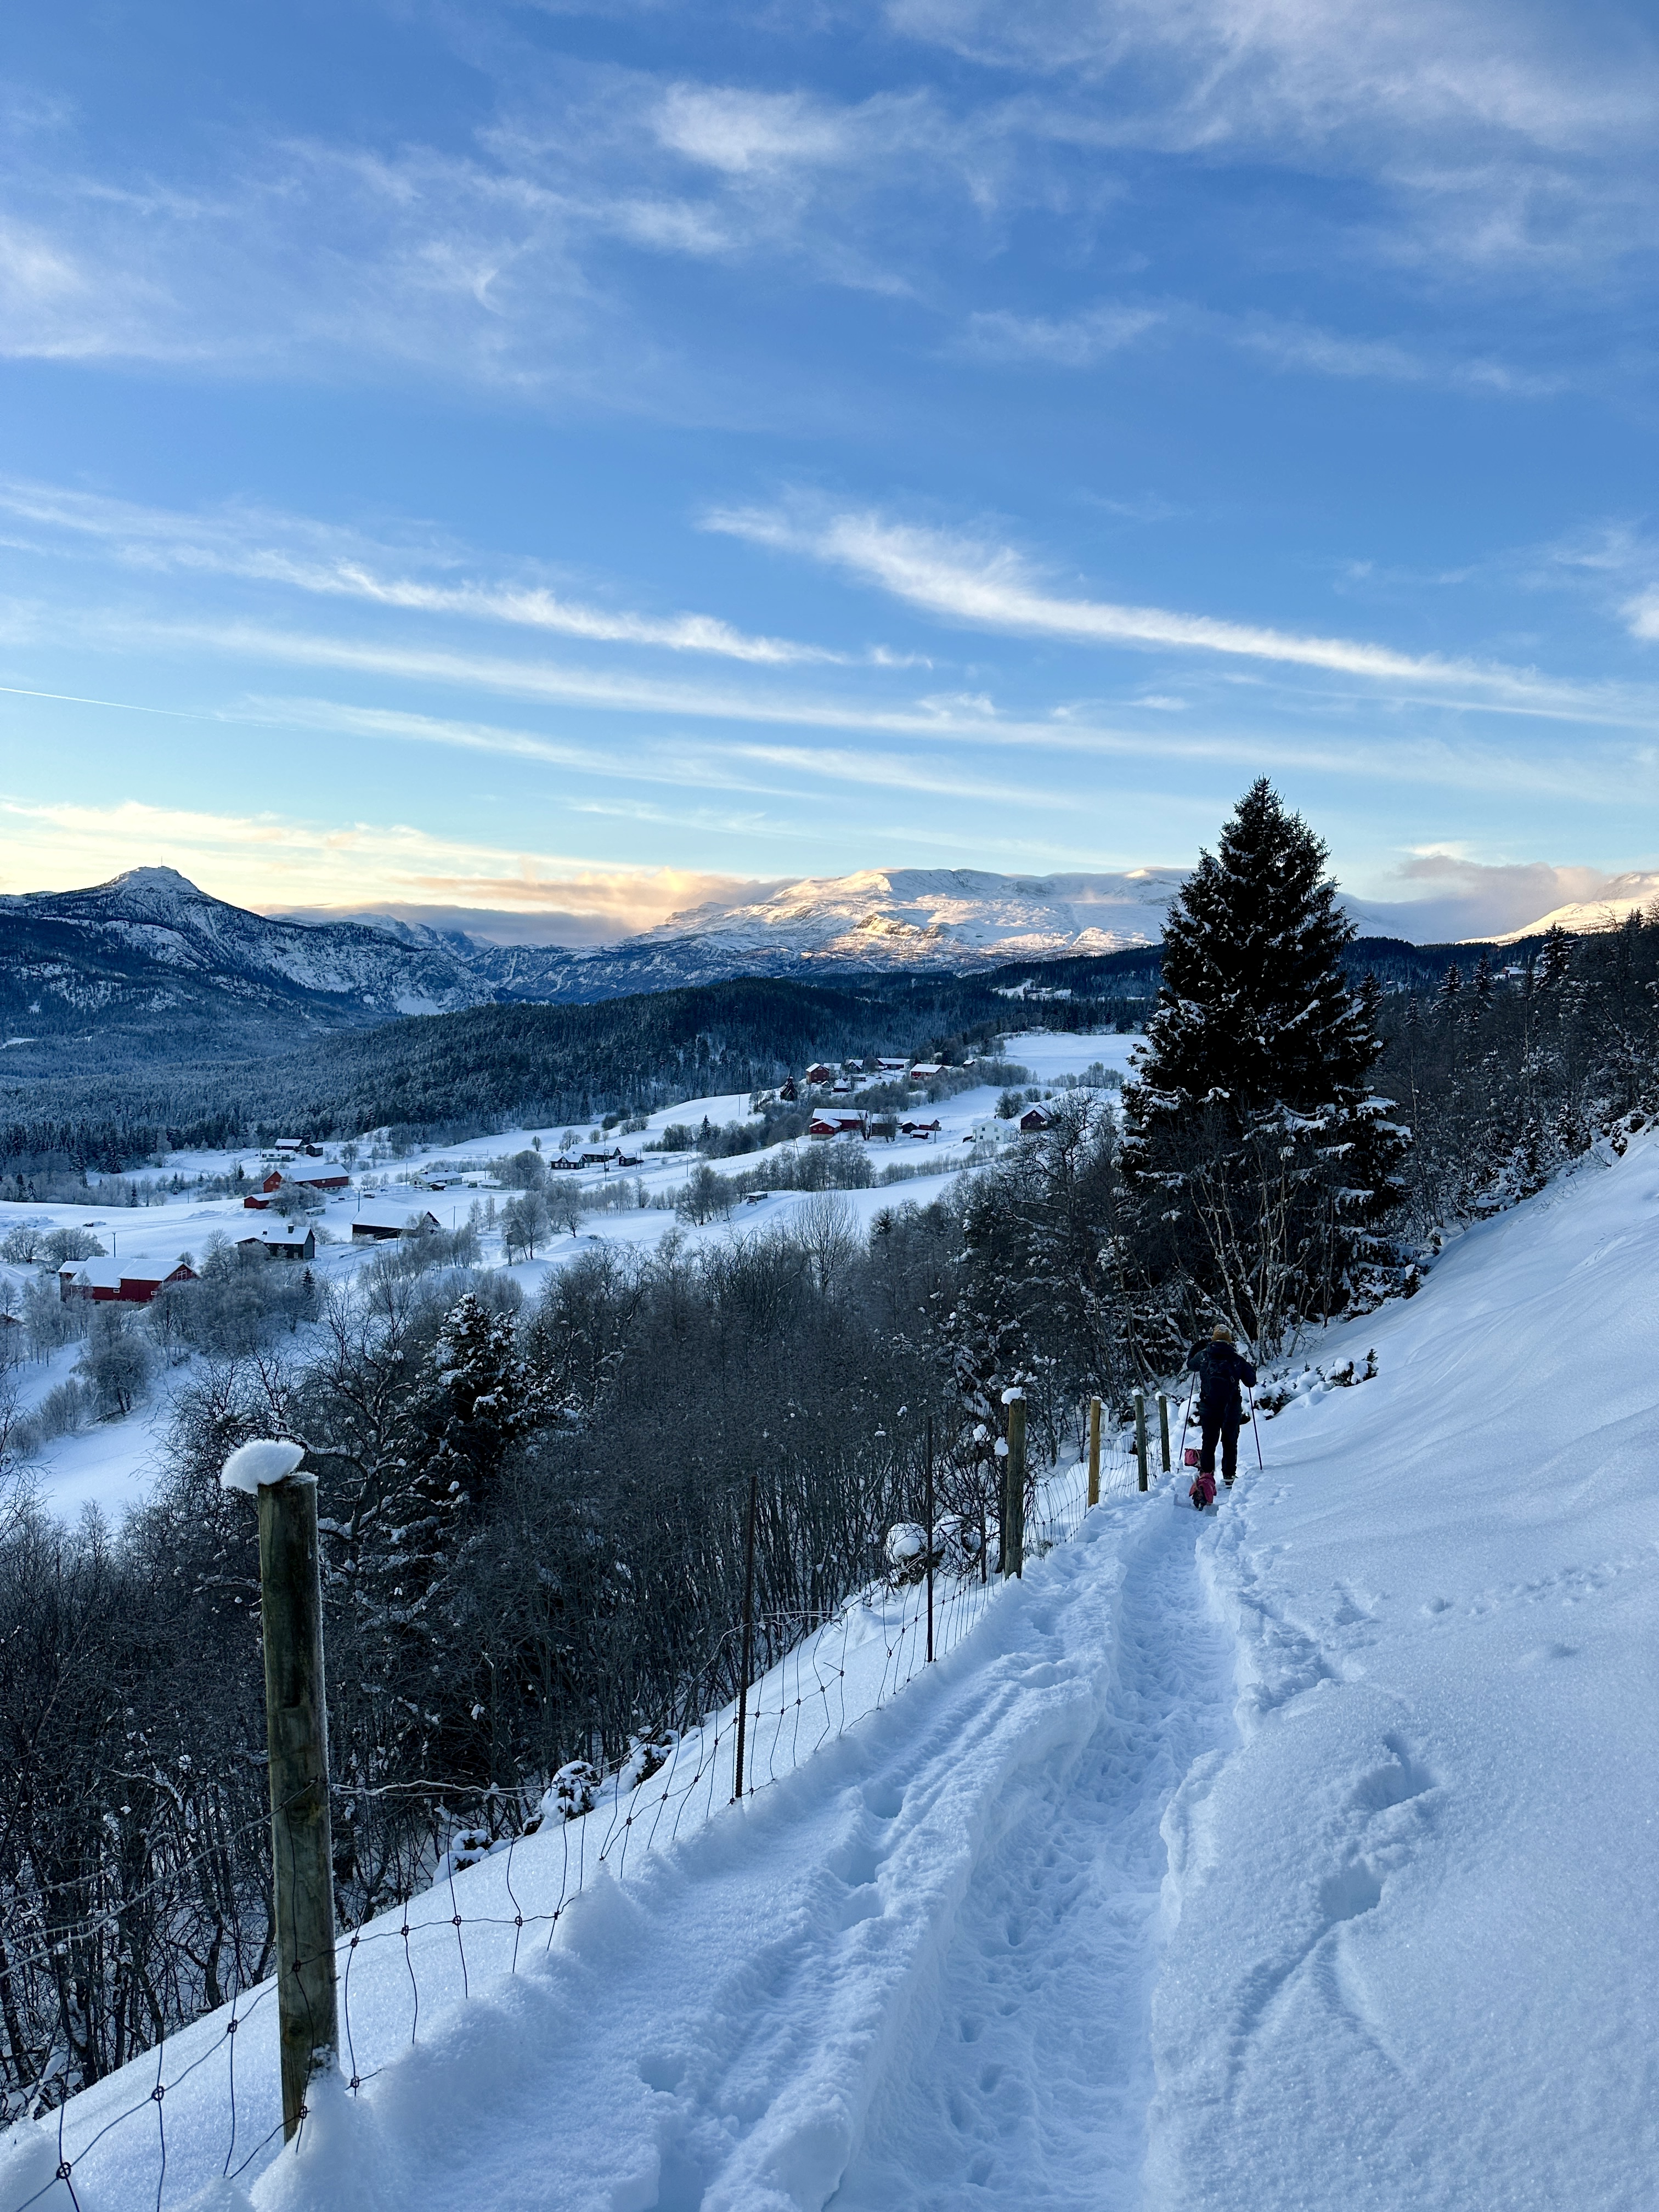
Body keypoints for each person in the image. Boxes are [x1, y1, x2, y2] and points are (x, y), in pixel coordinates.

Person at [1186, 1324, 1257, 1489]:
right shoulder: (1236, 1359)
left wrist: (1196, 1348)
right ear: (1230, 1340)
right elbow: (1251, 1382)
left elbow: (1190, 1365)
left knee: (1209, 1441)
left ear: (1213, 1338)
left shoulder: (1204, 1356)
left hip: (1208, 1405)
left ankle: (1207, 1475)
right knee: (1230, 1441)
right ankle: (1229, 1476)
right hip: (1231, 1406)